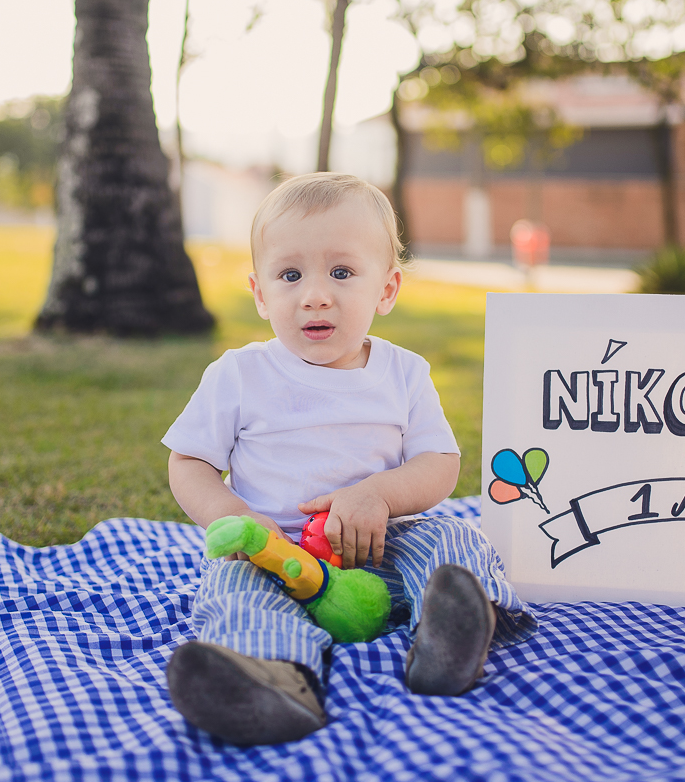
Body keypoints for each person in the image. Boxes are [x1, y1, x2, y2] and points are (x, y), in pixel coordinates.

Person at [162, 172, 537, 745]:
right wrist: (232, 518)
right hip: (275, 554)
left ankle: (450, 635)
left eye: (341, 272)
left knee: (454, 538)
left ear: (386, 289)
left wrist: (378, 496)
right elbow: (188, 462)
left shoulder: (404, 373)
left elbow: (439, 463)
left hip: (382, 541)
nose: (315, 294)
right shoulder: (239, 374)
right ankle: (275, 682)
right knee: (232, 589)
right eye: (290, 275)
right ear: (261, 294)